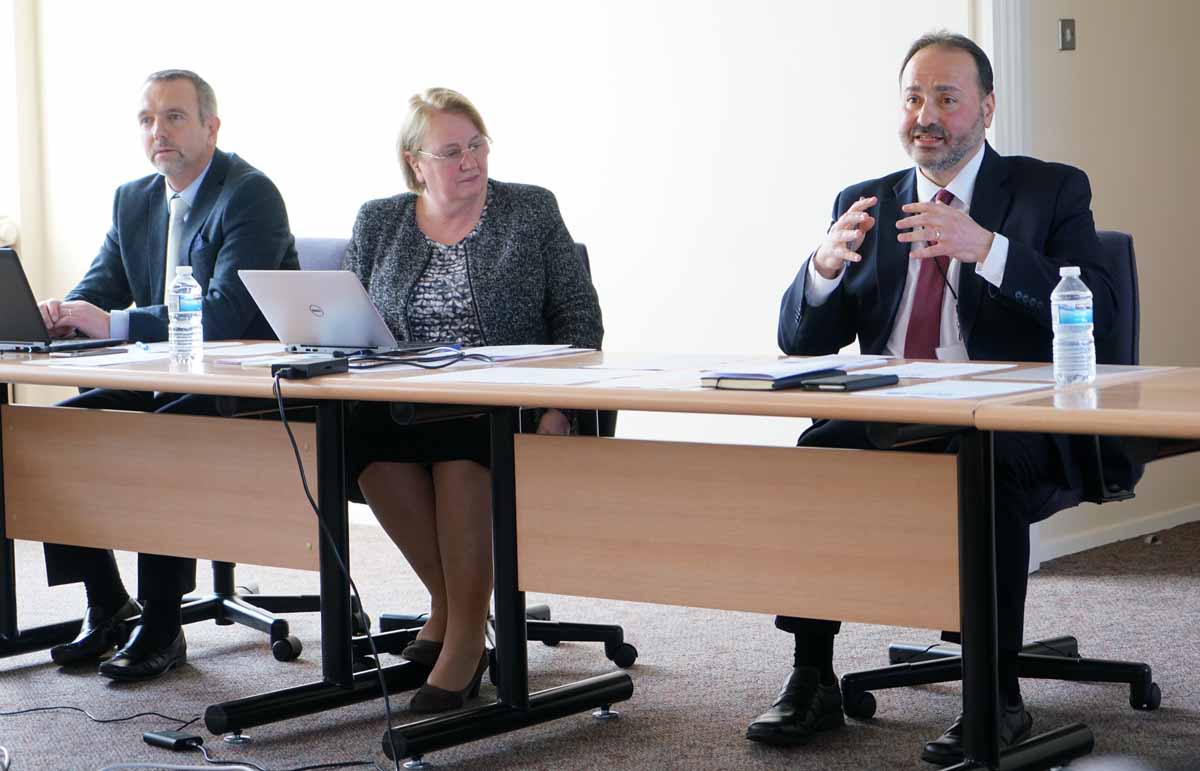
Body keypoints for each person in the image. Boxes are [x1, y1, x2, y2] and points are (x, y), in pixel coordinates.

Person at [750, 32, 1140, 764]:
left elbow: (1102, 313)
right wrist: (823, 269)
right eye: (912, 98)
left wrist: (985, 248)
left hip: (1013, 420)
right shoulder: (864, 201)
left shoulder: (1049, 190)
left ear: (986, 109)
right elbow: (800, 342)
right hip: (894, 413)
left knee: (981, 468)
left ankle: (996, 697)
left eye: (947, 98)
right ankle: (811, 674)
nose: (925, 114)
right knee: (814, 457)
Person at [342, 88, 603, 714]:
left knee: (461, 451)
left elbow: (579, 318)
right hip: (403, 400)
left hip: (502, 401)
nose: (470, 160)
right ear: (415, 162)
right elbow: (348, 319)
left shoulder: (530, 210)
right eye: (452, 150)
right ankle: (451, 604)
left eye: (477, 144)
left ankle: (462, 642)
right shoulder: (379, 220)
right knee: (361, 444)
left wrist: (556, 407)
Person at [38, 69, 298, 681]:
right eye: (147, 119)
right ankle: (106, 602)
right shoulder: (135, 198)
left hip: (242, 392)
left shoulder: (249, 193)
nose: (159, 131)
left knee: (158, 435)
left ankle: (162, 621)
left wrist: (118, 324)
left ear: (211, 126)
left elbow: (232, 311)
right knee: (56, 430)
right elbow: (98, 289)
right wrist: (60, 315)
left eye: (175, 117)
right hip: (162, 380)